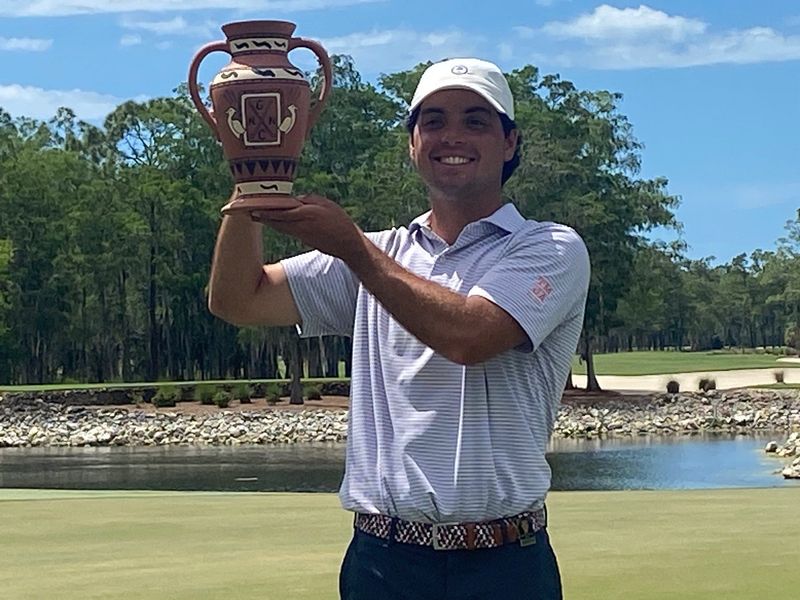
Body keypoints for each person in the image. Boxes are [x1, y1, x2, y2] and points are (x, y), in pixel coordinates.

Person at [207, 57, 590, 600]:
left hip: (505, 565)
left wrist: (353, 249)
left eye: (475, 121)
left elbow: (471, 337)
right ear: (412, 144)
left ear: (510, 143)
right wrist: (249, 177)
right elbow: (238, 299)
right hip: (382, 562)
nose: (451, 135)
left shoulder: (549, 247)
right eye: (432, 121)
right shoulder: (380, 253)